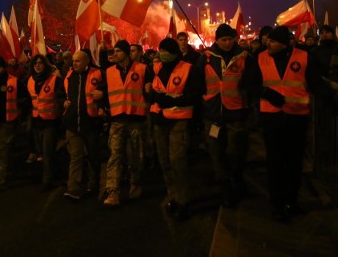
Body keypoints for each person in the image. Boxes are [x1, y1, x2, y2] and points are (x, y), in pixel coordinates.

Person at [252, 26, 321, 222]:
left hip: (297, 118)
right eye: (268, 41)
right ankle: (277, 204)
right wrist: (266, 93)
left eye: (272, 41)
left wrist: (328, 100)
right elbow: (250, 83)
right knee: (275, 163)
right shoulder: (260, 57)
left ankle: (292, 201)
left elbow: (315, 82)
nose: (268, 44)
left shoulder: (304, 56)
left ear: (284, 44)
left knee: (294, 162)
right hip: (271, 119)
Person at [196, 24, 254, 208]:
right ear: (217, 40)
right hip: (213, 114)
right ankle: (226, 189)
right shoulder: (205, 59)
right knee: (217, 154)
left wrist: (249, 110)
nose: (227, 43)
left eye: (230, 39)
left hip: (236, 114)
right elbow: (197, 84)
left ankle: (237, 178)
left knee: (236, 152)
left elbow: (251, 84)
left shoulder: (245, 57)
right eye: (223, 40)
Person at [150, 38, 204, 220]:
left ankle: (183, 200)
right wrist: (151, 95)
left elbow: (195, 95)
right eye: (161, 50)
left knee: (177, 161)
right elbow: (151, 90)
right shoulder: (157, 69)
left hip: (179, 120)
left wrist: (173, 101)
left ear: (174, 52)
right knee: (164, 161)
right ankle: (172, 193)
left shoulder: (189, 69)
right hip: (159, 119)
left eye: (166, 50)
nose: (162, 53)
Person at [100, 40, 154, 206]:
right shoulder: (108, 72)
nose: (114, 54)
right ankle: (113, 192)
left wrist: (149, 90)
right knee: (115, 156)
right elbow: (104, 91)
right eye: (113, 51)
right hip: (117, 120)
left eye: (117, 51)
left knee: (136, 156)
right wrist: (101, 104)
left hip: (136, 120)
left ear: (126, 53)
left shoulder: (143, 69)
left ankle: (136, 184)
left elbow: (151, 92)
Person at [62, 50, 104, 200]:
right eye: (73, 61)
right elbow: (62, 94)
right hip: (73, 123)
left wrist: (102, 96)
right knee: (76, 156)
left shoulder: (97, 74)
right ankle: (73, 188)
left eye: (78, 61)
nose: (74, 63)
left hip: (91, 123)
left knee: (94, 155)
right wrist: (64, 102)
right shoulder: (68, 76)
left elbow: (107, 91)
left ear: (87, 61)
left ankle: (94, 183)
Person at [0, 56, 30, 191]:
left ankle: (5, 179)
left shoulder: (14, 82)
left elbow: (25, 98)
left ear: (4, 68)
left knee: (4, 150)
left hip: (8, 121)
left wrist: (19, 109)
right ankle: (11, 168)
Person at [26, 54, 66, 191]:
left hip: (51, 121)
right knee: (42, 153)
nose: (37, 65)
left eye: (40, 63)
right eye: (35, 63)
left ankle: (47, 180)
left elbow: (61, 97)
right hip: (36, 122)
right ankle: (54, 175)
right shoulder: (30, 80)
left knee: (47, 152)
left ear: (46, 65)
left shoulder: (55, 80)